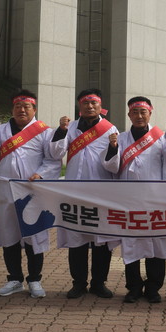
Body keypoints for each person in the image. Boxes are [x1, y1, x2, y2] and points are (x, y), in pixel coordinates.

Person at [0, 90, 68, 298]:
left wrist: (41, 174)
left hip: (32, 190)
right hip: (6, 189)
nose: (22, 110)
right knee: (9, 235)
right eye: (18, 106)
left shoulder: (44, 132)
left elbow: (53, 159)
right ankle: (14, 279)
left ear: (34, 109)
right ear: (12, 109)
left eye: (26, 107)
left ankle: (34, 279)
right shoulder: (0, 130)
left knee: (34, 234)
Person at [102, 96, 166, 304]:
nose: (139, 116)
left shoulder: (161, 138)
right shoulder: (121, 138)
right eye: (135, 112)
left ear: (150, 113)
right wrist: (112, 148)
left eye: (143, 112)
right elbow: (111, 167)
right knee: (132, 244)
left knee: (157, 244)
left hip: (155, 201)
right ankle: (134, 287)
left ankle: (154, 288)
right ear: (129, 115)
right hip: (129, 201)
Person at [57, 89, 119, 299]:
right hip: (75, 191)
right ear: (79, 106)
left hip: (101, 192)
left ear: (100, 106)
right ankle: (79, 283)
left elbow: (114, 165)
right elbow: (56, 152)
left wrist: (113, 147)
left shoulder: (110, 129)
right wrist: (61, 131)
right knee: (77, 238)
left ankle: (99, 283)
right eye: (85, 103)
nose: (90, 106)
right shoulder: (71, 127)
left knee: (102, 240)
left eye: (94, 103)